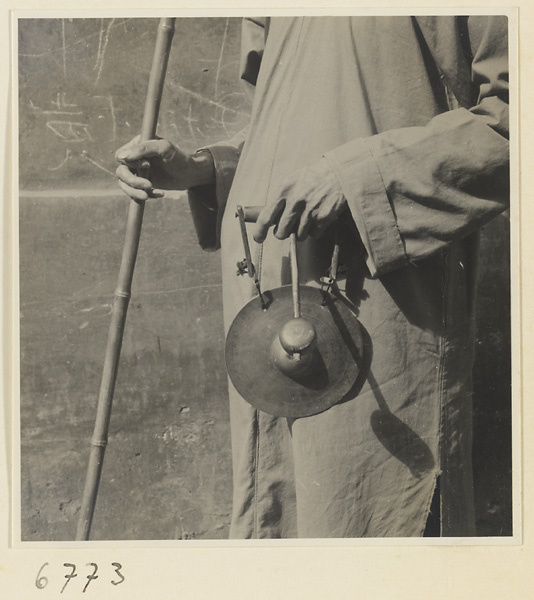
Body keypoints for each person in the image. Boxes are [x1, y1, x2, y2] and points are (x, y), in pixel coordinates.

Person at [115, 16, 509, 538]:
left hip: (376, 297)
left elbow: (511, 122)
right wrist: (203, 169)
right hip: (264, 300)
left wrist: (359, 176)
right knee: (277, 521)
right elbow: (289, 124)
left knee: (367, 521)